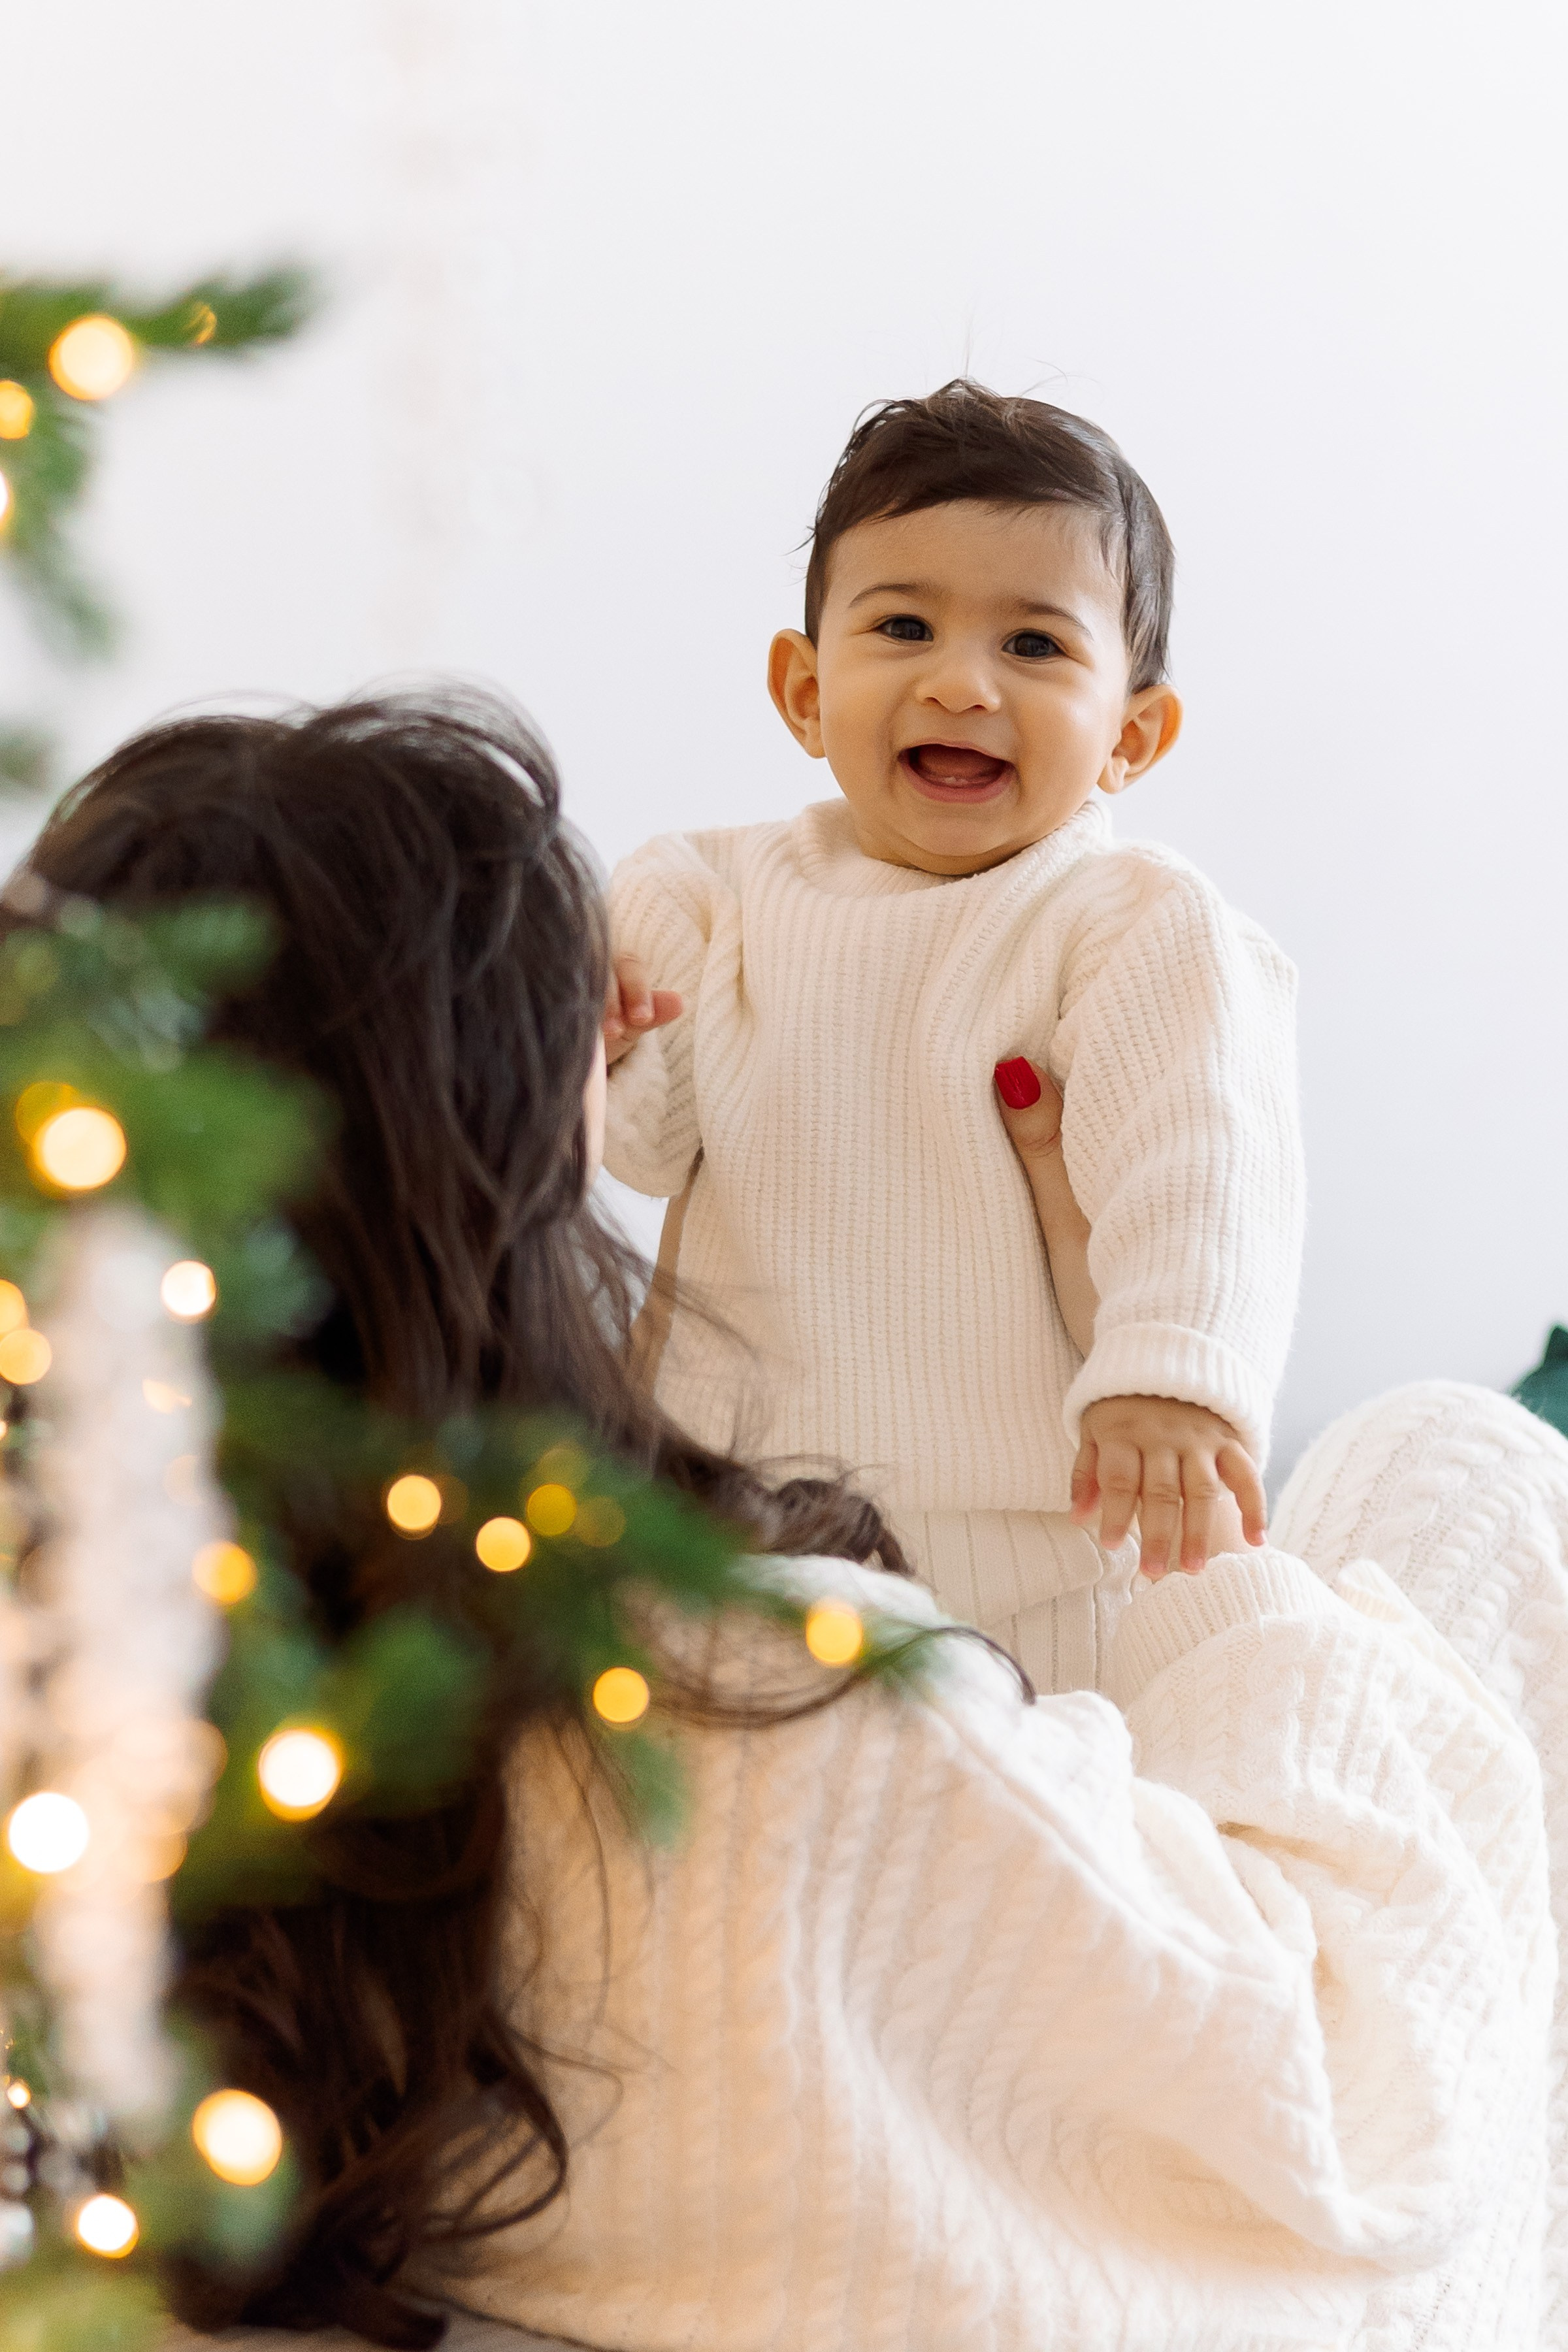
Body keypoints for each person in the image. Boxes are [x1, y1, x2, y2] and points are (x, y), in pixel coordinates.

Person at [31, 693, 1554, 2351]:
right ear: (536, 1126)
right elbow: (1338, 2114)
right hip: (1076, 1862)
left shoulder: (106, 1686)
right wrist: (1201, 1559)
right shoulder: (759, 1696)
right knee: (1445, 1464)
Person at [601, 380, 1303, 1697]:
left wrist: (1174, 1377)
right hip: (735, 1542)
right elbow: (639, 1150)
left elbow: (1204, 1162)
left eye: (1036, 647)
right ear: (805, 691)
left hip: (1037, 1572)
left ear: (1133, 735)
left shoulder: (1128, 922)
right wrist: (601, 1038)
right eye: (904, 625)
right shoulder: (706, 894)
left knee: (1019, 1845)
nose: (962, 683)